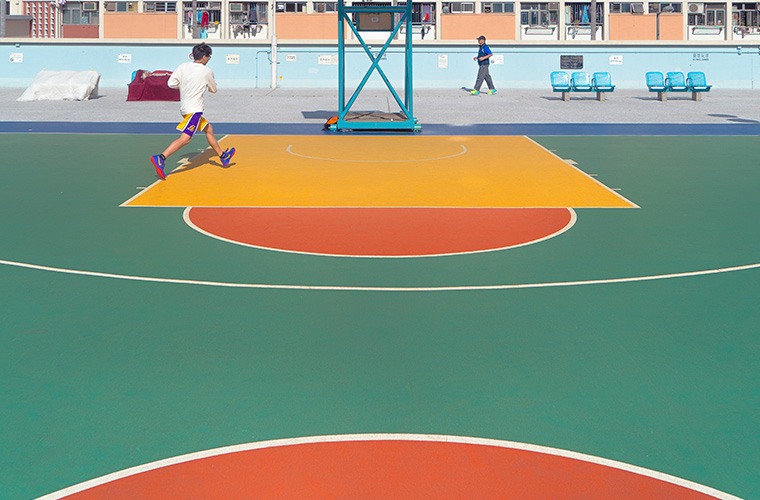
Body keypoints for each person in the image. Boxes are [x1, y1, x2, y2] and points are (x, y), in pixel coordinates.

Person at [150, 43, 235, 180]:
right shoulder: (206, 71)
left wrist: (186, 86)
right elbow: (214, 90)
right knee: (185, 139)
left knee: (209, 129)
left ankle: (223, 156)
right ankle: (161, 158)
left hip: (185, 108)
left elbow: (171, 83)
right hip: (194, 110)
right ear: (204, 57)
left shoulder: (183, 66)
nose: (209, 59)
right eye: (209, 56)